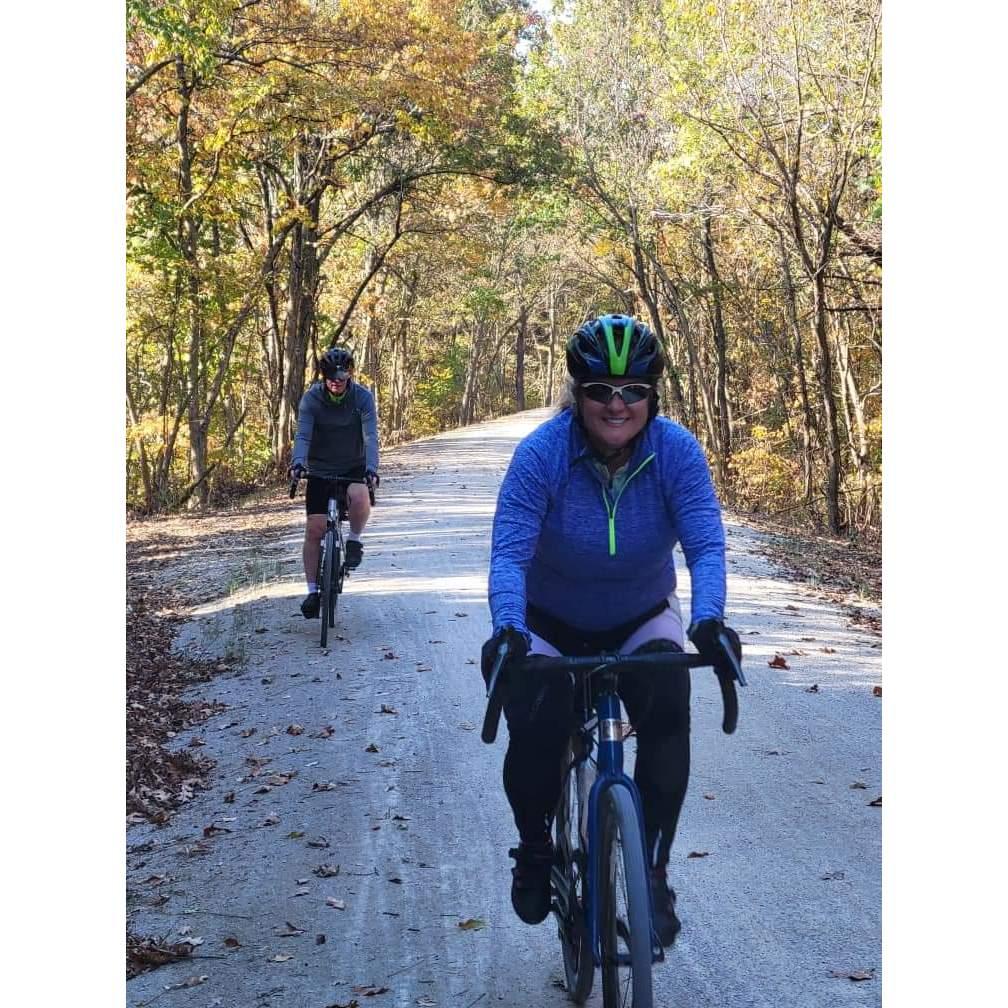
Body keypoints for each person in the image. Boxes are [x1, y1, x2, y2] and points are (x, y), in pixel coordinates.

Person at [482, 313, 741, 945]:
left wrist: (709, 619)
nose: (617, 403)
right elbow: (510, 554)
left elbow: (705, 546)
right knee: (538, 723)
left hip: (639, 613)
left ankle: (651, 871)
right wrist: (509, 628)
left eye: (633, 390)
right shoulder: (542, 454)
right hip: (550, 619)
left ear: (653, 395)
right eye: (600, 390)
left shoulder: (675, 451)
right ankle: (536, 846)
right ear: (576, 394)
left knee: (667, 707)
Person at [288, 346, 380, 619]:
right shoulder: (312, 399)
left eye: (341, 376)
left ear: (349, 375)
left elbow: (370, 436)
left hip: (353, 465)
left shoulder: (362, 398)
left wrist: (372, 468)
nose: (335, 381)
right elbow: (303, 435)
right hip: (319, 469)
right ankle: (313, 592)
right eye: (330, 376)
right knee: (315, 529)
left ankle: (353, 541)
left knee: (361, 497)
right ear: (323, 376)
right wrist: (297, 463)